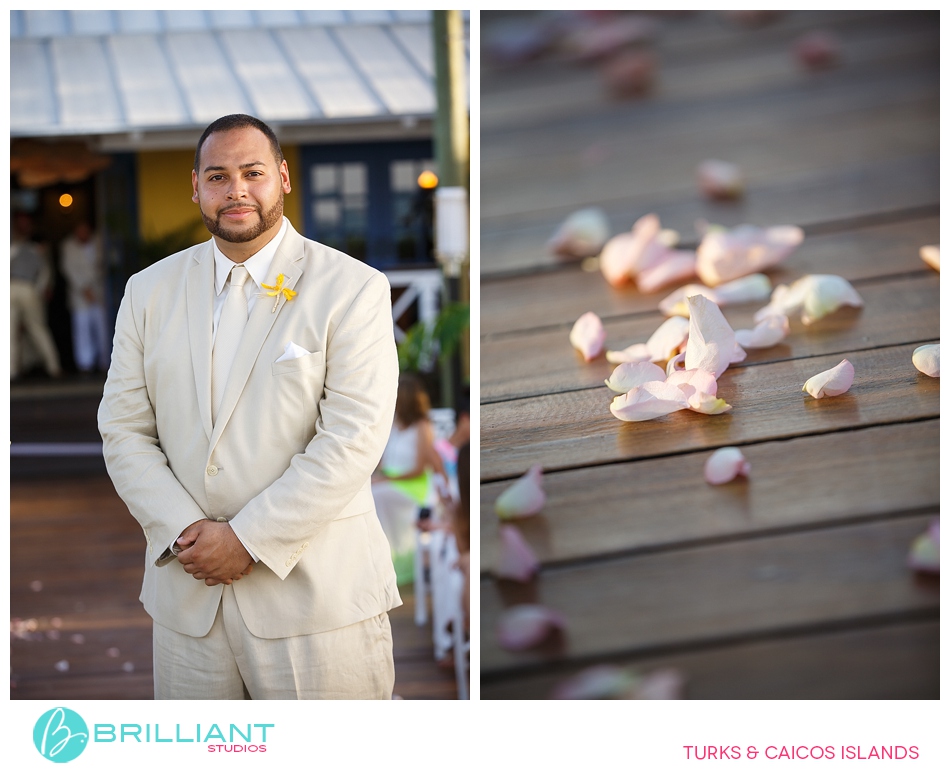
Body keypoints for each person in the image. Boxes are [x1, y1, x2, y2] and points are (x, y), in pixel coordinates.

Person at [98, 114, 401, 700]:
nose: (236, 190)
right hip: (190, 609)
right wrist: (186, 530)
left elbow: (354, 438)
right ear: (195, 187)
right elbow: (123, 427)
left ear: (283, 177)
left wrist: (247, 539)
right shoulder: (147, 291)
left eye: (253, 172)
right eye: (218, 176)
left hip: (317, 603)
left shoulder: (353, 287)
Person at [371, 372, 446, 584]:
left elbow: (421, 469)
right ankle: (377, 559)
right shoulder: (392, 425)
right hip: (390, 481)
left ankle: (392, 562)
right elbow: (383, 464)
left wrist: (386, 480)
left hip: (413, 486)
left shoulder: (423, 426)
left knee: (377, 495)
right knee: (366, 492)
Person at [10, 212, 62, 380]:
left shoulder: (36, 244)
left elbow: (45, 271)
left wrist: (40, 290)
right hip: (19, 288)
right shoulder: (18, 244)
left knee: (35, 328)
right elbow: (45, 272)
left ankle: (52, 367)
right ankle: (13, 370)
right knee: (18, 330)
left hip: (23, 287)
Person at [60, 221, 111, 373]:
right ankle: (85, 364)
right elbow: (68, 268)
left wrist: (95, 287)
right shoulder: (68, 246)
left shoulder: (100, 242)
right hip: (79, 294)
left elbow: (106, 263)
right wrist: (83, 288)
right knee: (82, 329)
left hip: (99, 291)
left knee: (102, 327)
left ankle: (105, 361)